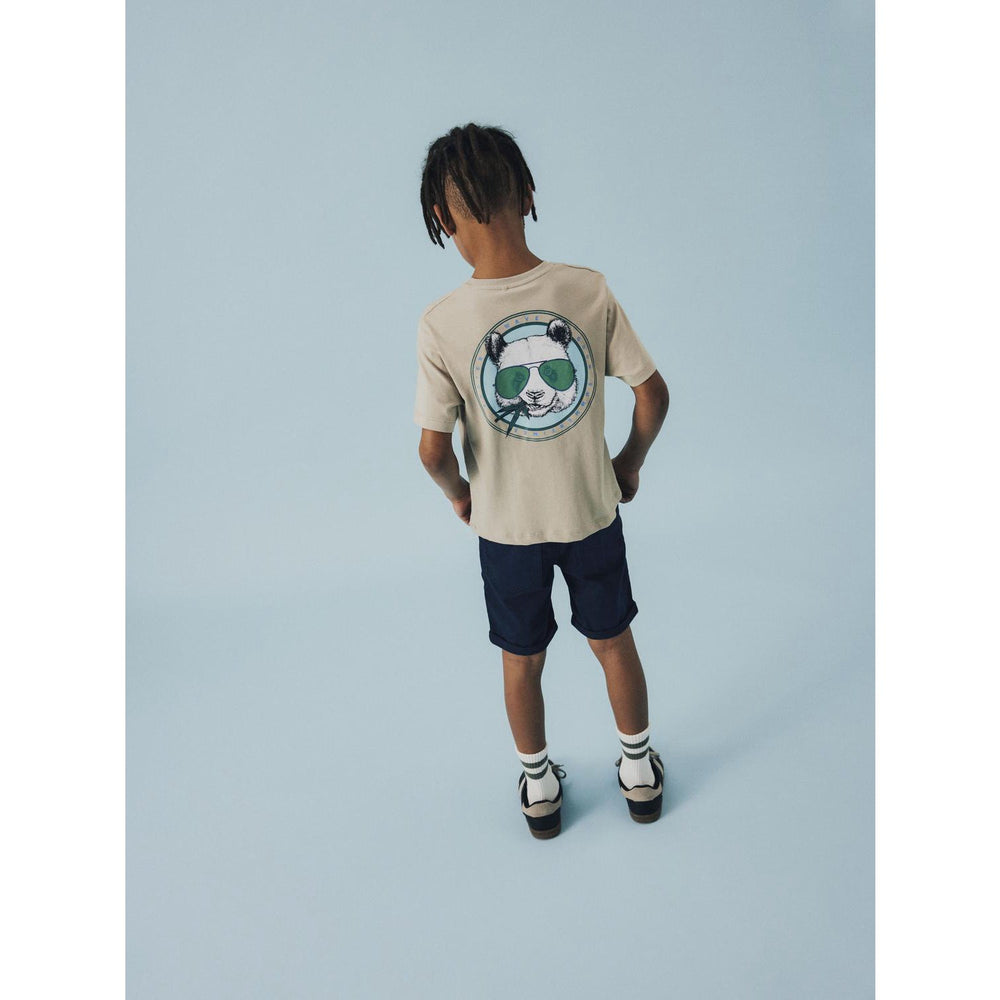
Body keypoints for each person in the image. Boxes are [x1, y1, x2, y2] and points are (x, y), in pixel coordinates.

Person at [413, 123, 670, 839]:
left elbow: (431, 450)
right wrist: (628, 463)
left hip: (506, 530)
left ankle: (538, 786)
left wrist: (461, 494)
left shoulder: (442, 323)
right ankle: (639, 771)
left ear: (440, 219)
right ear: (528, 193)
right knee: (614, 642)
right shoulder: (586, 290)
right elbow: (653, 395)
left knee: (521, 662)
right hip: (591, 513)